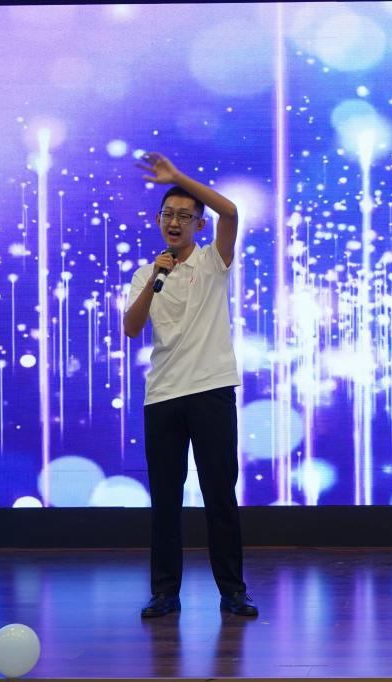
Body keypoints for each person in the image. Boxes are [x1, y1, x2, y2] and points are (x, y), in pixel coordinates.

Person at [124, 152, 257, 618]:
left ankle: (233, 591)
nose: (175, 222)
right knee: (165, 499)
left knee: (220, 494)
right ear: (157, 221)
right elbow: (131, 328)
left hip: (211, 390)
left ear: (200, 224)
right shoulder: (146, 273)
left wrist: (178, 176)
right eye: (168, 215)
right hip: (163, 396)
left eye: (185, 216)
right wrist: (155, 278)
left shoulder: (212, 261)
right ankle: (165, 592)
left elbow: (231, 212)